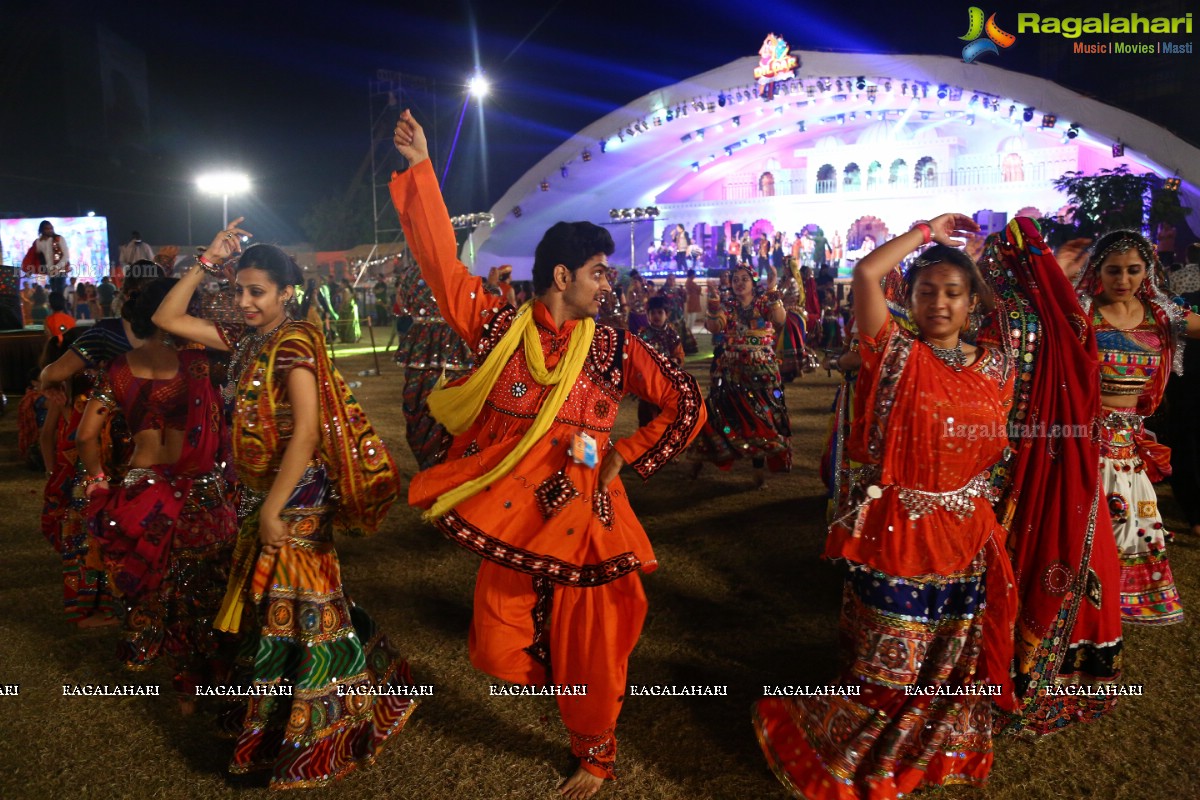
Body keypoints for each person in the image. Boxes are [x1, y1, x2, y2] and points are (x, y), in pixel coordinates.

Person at [390, 109, 705, 799]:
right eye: (598, 273)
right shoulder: (499, 327)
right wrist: (420, 169)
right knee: (501, 645)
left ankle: (595, 753)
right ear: (562, 275)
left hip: (587, 513)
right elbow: (443, 265)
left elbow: (685, 402)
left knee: (594, 634)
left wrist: (625, 456)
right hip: (515, 514)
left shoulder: (615, 345)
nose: (607, 286)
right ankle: (568, 688)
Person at [754, 215, 1018, 798]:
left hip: (967, 538)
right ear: (912, 299)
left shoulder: (998, 366)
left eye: (954, 293)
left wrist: (998, 254)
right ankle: (853, 748)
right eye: (928, 292)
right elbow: (867, 271)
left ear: (973, 302)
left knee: (949, 661)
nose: (940, 304)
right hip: (900, 533)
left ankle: (932, 745)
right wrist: (929, 232)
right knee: (886, 665)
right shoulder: (893, 351)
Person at [152, 228, 416, 789]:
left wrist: (272, 509)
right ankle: (289, 727)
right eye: (241, 291)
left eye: (257, 293)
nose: (245, 302)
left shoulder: (294, 343)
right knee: (280, 614)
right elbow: (169, 318)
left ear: (287, 292)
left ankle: (320, 735)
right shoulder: (249, 340)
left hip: (294, 499)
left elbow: (306, 434)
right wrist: (207, 262)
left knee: (299, 614)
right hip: (258, 496)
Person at [77, 278, 237, 712]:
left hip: (140, 493)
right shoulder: (203, 365)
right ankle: (208, 682)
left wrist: (97, 480)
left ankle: (180, 682)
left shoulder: (119, 369)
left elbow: (86, 435)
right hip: (200, 491)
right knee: (206, 589)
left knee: (161, 587)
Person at [1076, 229, 1200, 624]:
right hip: (1084, 439)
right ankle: (1078, 608)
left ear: (1147, 271)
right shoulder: (1081, 312)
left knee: (1134, 522)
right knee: (1087, 523)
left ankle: (1116, 605)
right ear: (1099, 270)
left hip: (1130, 441)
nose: (1123, 280)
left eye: (1133, 270)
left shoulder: (1161, 315)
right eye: (1114, 270)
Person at [692, 262, 791, 487]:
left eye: (744, 279)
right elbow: (714, 327)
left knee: (758, 417)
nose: (739, 283)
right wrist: (714, 301)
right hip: (731, 370)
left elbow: (780, 319)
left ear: (753, 282)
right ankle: (700, 459)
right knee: (722, 416)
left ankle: (758, 471)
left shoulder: (764, 302)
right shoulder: (727, 305)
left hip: (761, 371)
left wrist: (773, 285)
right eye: (735, 279)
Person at [391, 259, 475, 469]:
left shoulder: (411, 273)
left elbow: (401, 306)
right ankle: (444, 469)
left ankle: (434, 469)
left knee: (420, 407)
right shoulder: (457, 269)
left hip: (424, 346)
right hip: (452, 345)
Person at [636, 296, 685, 427]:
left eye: (660, 312)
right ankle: (647, 439)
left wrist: (676, 360)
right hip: (648, 381)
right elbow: (637, 356)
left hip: (667, 380)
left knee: (668, 412)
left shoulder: (672, 334)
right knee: (646, 413)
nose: (656, 316)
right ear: (647, 315)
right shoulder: (643, 335)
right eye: (652, 313)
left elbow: (679, 354)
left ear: (667, 314)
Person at [22, 220, 71, 293]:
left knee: (60, 293)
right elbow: (32, 256)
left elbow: (66, 256)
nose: (50, 230)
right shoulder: (38, 242)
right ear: (42, 230)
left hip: (61, 270)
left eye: (51, 228)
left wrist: (57, 267)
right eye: (47, 228)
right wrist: (29, 269)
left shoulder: (59, 239)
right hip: (50, 272)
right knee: (54, 293)